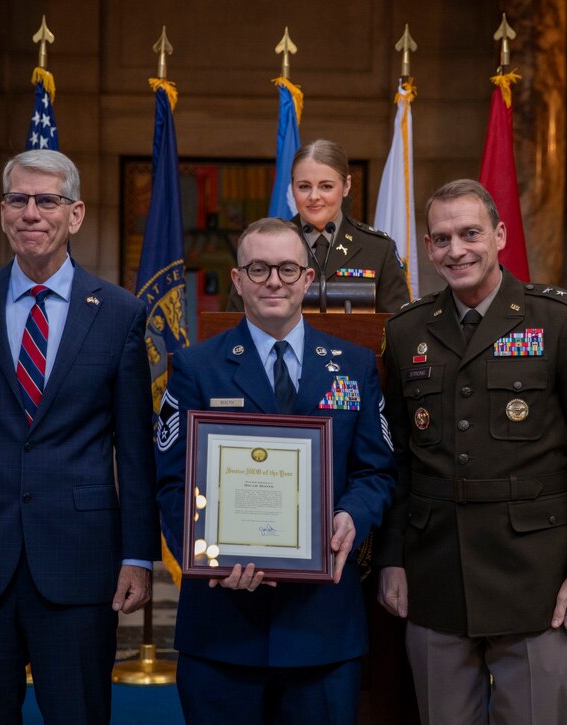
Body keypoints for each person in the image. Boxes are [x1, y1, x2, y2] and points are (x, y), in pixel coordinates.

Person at [0, 150, 159, 724]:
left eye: (47, 201)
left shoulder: (118, 314)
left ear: (76, 214)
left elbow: (136, 451)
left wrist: (138, 555)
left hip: (80, 561)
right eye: (18, 199)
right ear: (2, 212)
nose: (31, 213)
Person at [375, 179, 567, 724]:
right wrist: (392, 558)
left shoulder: (560, 322)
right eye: (441, 239)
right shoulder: (406, 329)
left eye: (470, 234)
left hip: (535, 578)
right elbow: (399, 461)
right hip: (435, 572)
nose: (455, 250)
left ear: (500, 235)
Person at [157, 217, 396, 724]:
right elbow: (171, 483)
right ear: (238, 280)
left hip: (322, 626)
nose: (273, 281)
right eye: (258, 268)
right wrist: (207, 558)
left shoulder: (353, 365)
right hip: (223, 626)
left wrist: (353, 516)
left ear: (308, 280)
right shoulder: (196, 367)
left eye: (288, 269)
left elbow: (376, 470)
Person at [229, 139, 411, 313]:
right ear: (292, 187)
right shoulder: (263, 244)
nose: (314, 196)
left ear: (346, 186)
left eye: (326, 187)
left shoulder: (378, 248)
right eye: (304, 187)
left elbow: (397, 327)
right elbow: (235, 320)